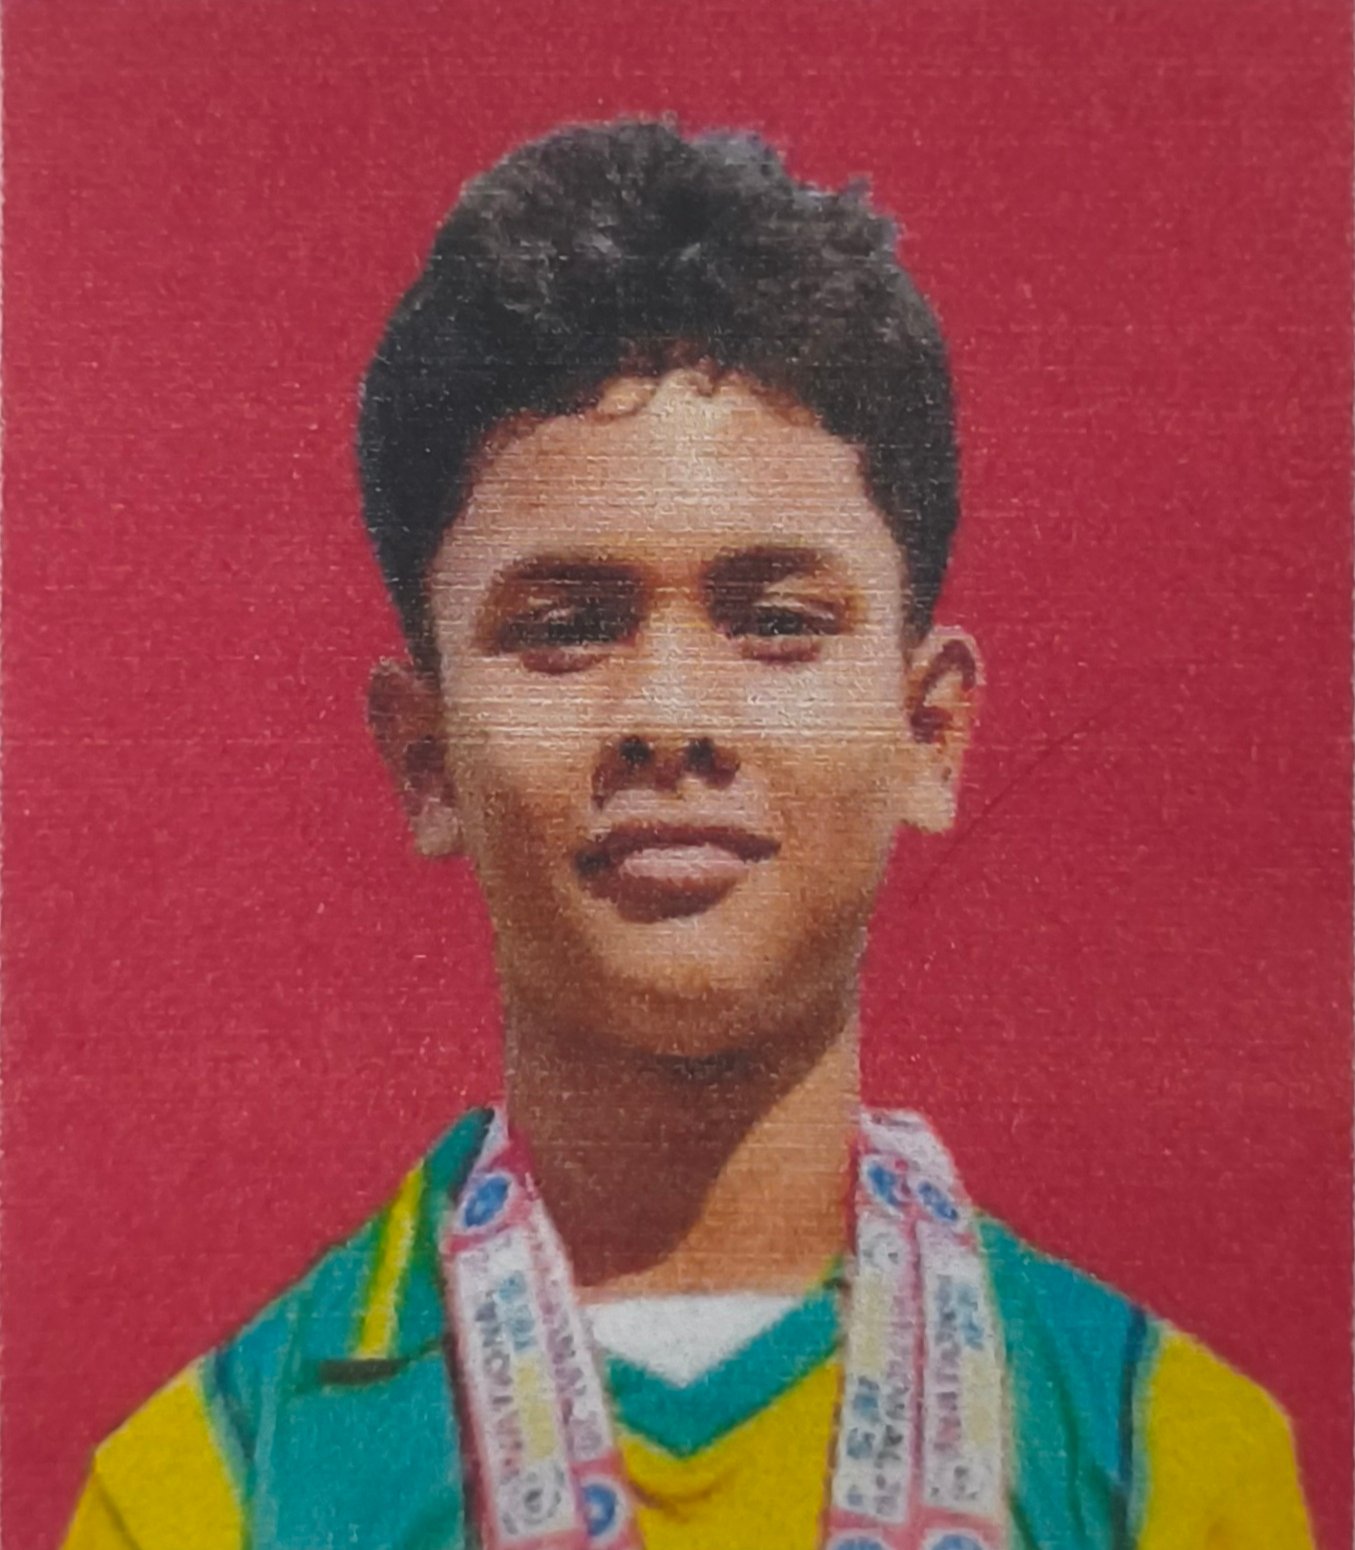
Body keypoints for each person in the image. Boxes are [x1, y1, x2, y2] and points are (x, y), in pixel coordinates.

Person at [61, 118, 1314, 1550]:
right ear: (427, 758)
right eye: (567, 625)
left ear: (929, 729)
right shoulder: (215, 1486)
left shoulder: (1165, 1461)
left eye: (776, 618)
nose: (669, 714)